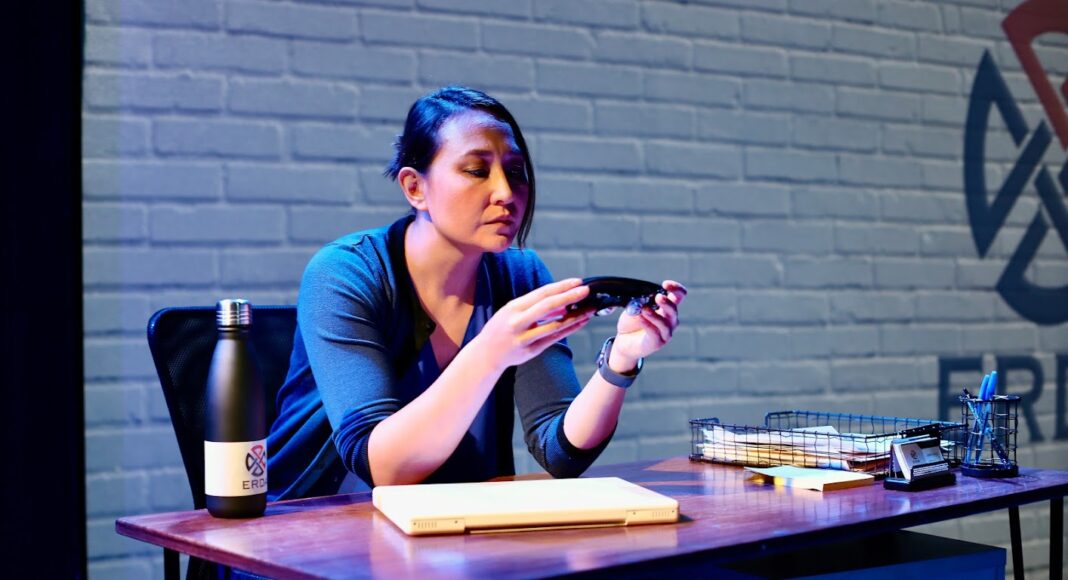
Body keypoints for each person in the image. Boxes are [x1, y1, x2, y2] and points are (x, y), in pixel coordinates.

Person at [266, 86, 686, 499]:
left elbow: (561, 452)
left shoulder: (520, 275)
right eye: (476, 170)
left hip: (452, 524)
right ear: (415, 188)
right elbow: (383, 468)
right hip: (311, 523)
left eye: (516, 172)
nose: (506, 192)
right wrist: (490, 352)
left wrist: (619, 362)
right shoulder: (346, 273)